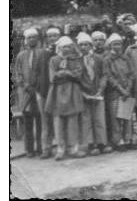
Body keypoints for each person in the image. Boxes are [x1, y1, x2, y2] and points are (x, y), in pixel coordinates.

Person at [45, 36, 85, 160]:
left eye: (68, 46)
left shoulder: (76, 59)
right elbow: (53, 77)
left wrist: (65, 73)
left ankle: (73, 148)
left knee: (72, 122)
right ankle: (60, 149)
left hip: (72, 92)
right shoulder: (53, 60)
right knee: (58, 122)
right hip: (57, 92)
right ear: (59, 47)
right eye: (64, 47)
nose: (66, 49)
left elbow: (78, 76)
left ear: (72, 47)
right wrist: (67, 74)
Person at [77, 32, 111, 156]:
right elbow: (77, 79)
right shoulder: (77, 60)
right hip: (85, 94)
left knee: (99, 118)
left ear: (91, 45)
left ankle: (102, 143)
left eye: (86, 44)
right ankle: (92, 144)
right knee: (87, 119)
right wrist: (83, 93)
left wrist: (101, 89)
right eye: (81, 45)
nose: (83, 47)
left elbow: (104, 75)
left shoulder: (98, 58)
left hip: (98, 92)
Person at [13, 28, 43, 157]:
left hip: (39, 92)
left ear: (38, 39)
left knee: (41, 121)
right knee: (28, 121)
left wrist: (39, 86)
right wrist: (25, 85)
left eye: (34, 37)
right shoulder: (21, 56)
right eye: (29, 37)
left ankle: (41, 147)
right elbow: (17, 73)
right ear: (26, 40)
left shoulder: (43, 53)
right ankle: (29, 149)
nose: (32, 40)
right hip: (26, 93)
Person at [103, 33, 134, 150]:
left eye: (119, 44)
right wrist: (121, 89)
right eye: (115, 44)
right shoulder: (107, 60)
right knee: (115, 118)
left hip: (126, 91)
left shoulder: (126, 58)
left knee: (126, 116)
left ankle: (128, 139)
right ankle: (118, 140)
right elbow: (109, 77)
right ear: (110, 45)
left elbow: (131, 74)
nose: (117, 46)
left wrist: (128, 89)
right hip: (115, 92)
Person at [35, 27, 60, 159]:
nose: (52, 38)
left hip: (60, 92)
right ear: (46, 39)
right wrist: (38, 90)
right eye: (50, 36)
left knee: (59, 120)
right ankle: (46, 148)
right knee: (45, 122)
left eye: (55, 36)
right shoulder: (42, 53)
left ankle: (62, 147)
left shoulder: (64, 51)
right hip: (44, 92)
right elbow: (36, 72)